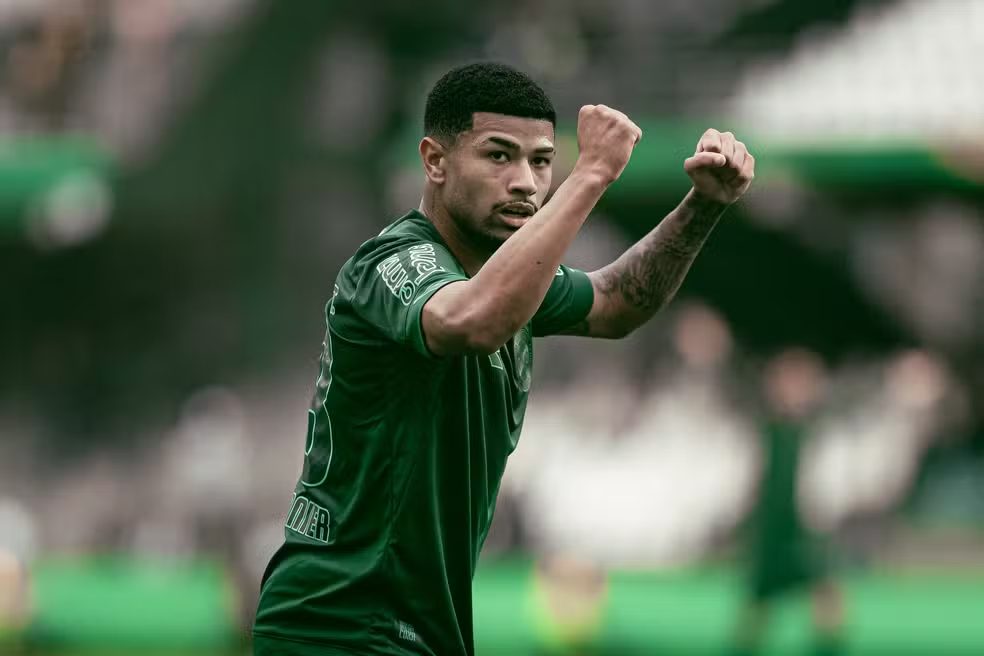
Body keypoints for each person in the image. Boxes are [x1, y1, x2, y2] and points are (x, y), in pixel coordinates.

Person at [252, 61, 755, 656]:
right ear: (435, 161)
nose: (525, 182)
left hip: (414, 627)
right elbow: (472, 320)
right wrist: (590, 173)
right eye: (498, 156)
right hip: (340, 620)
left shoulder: (513, 282)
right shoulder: (391, 262)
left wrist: (703, 205)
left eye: (541, 162)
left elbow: (619, 303)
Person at [730, 349, 846, 656]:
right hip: (771, 530)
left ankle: (829, 649)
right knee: (758, 603)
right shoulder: (761, 432)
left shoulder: (819, 434)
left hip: (805, 530)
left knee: (825, 594)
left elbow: (828, 485)